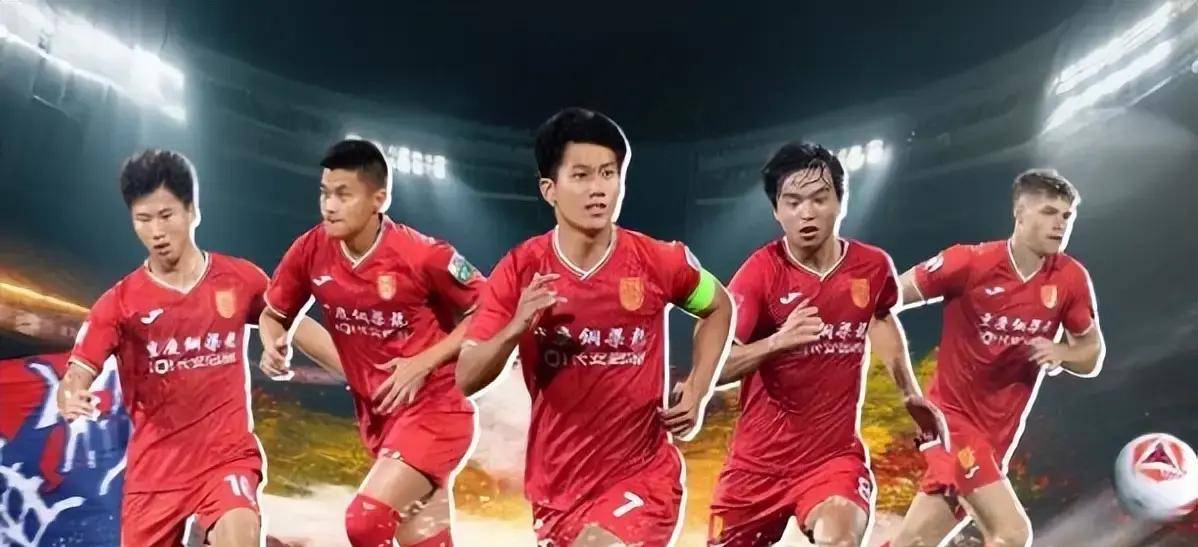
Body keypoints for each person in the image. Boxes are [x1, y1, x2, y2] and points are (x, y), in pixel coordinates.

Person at [456, 107, 734, 546]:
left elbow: (718, 306)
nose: (599, 189)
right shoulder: (519, 270)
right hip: (557, 491)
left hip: (643, 476)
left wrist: (698, 391)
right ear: (549, 189)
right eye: (581, 176)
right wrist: (514, 329)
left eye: (609, 174)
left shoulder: (660, 262)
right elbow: (466, 376)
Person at [58, 149, 336, 547]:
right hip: (156, 474)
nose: (156, 231)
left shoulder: (238, 279)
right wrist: (71, 395)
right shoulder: (118, 305)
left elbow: (293, 321)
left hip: (225, 457)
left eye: (166, 215)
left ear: (192, 211)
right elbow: (78, 372)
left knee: (239, 532)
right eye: (143, 219)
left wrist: (361, 375)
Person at [707, 142, 946, 547]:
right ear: (776, 210)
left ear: (841, 202)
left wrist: (910, 392)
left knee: (839, 539)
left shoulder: (872, 267)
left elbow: (879, 317)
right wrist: (778, 342)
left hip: (832, 460)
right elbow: (716, 367)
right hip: (756, 468)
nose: (807, 212)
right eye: (793, 202)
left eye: (820, 199)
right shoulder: (759, 273)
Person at [258, 139, 483, 547]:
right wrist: (274, 341)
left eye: (343, 195)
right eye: (325, 193)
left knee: (366, 520)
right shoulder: (311, 250)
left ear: (379, 199)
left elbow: (489, 309)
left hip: (436, 410)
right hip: (380, 419)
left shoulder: (422, 254)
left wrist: (423, 362)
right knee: (424, 540)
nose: (329, 206)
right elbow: (274, 314)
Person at [889, 169, 1105, 547]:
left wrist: (1063, 352)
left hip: (996, 439)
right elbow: (887, 298)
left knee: (915, 542)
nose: (1060, 224)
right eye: (1049, 212)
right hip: (950, 422)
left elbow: (1092, 356)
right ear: (1019, 213)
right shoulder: (968, 262)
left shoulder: (1070, 279)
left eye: (1067, 216)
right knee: (1012, 533)